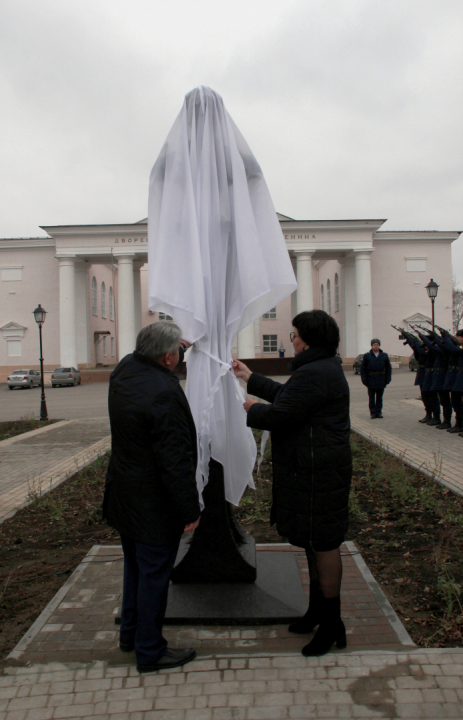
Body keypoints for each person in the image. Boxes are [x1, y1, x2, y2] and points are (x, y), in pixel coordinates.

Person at [233, 310, 352, 657]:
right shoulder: (319, 368)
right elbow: (290, 397)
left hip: (318, 471)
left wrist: (252, 408)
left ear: (309, 339)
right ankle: (319, 613)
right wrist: (250, 376)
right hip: (315, 468)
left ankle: (331, 624)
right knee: (315, 541)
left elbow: (282, 414)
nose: (292, 339)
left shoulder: (315, 371)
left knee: (325, 543)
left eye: (295, 334)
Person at [103, 321, 201, 673]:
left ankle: (130, 634)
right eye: (175, 352)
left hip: (125, 496)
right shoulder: (164, 391)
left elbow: (150, 356)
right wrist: (190, 508)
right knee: (154, 577)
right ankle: (150, 650)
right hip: (153, 503)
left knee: (136, 570)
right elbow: (174, 459)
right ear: (166, 357)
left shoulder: (126, 370)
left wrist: (182, 345)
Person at [360, 339, 392, 418]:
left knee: (379, 397)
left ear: (379, 346)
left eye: (377, 344)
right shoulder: (367, 356)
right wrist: (364, 379)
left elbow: (388, 368)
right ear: (372, 346)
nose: (376, 346)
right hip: (371, 379)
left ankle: (379, 411)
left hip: (381, 379)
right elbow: (363, 369)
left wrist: (388, 378)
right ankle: (373, 412)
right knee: (371, 398)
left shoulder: (384, 355)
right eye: (374, 345)